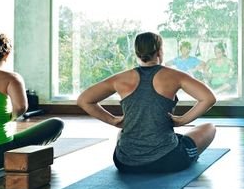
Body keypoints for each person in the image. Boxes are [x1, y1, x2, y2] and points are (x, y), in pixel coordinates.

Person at [76, 32, 217, 173]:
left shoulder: (120, 78)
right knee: (209, 127)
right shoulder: (174, 76)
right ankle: (179, 149)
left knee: (122, 132)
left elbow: (84, 100)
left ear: (137, 53)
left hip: (124, 163)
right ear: (160, 51)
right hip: (168, 160)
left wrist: (113, 120)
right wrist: (181, 121)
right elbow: (208, 98)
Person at [0, 26, 63, 168]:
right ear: (6, 54)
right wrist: (9, 117)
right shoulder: (11, 78)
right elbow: (21, 107)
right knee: (57, 123)